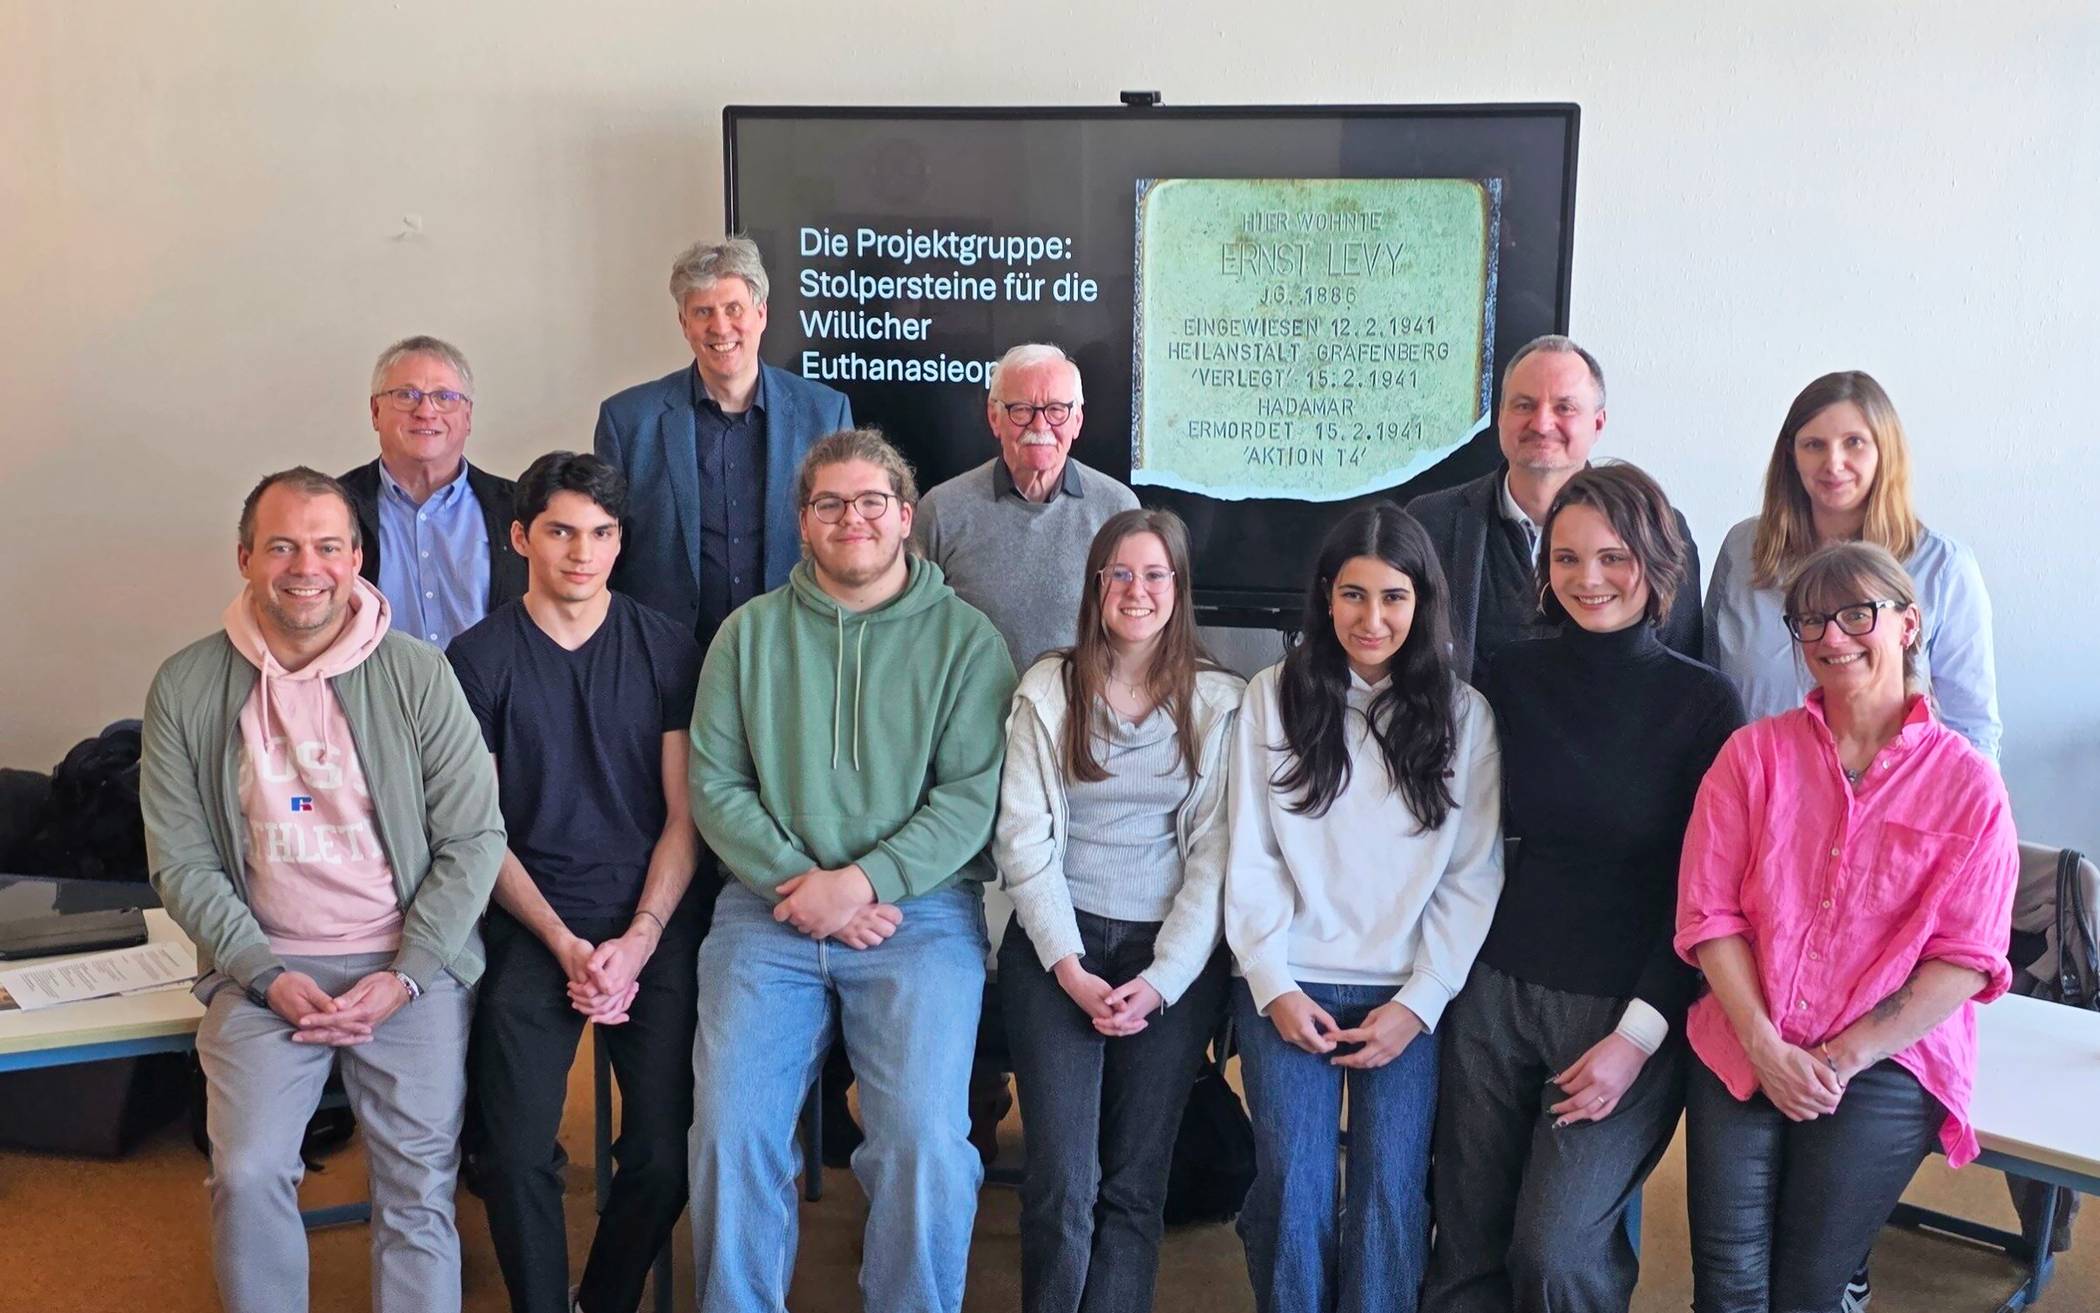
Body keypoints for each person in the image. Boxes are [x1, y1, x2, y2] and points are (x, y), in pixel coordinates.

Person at [139, 467, 504, 1313]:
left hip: (407, 964)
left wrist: (410, 970)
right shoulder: (187, 685)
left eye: (327, 546)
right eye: (282, 546)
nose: (306, 566)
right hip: (262, 968)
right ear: (244, 558)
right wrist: (263, 972)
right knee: (248, 1167)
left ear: (358, 558)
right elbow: (182, 860)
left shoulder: (418, 674)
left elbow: (475, 837)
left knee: (418, 1184)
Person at [685, 428, 1016, 1313]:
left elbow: (969, 797)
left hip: (919, 917)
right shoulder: (747, 636)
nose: (852, 518)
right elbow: (714, 785)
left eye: (872, 501)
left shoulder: (967, 643)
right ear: (803, 524)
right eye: (830, 503)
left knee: (925, 1143)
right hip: (767, 912)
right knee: (730, 1130)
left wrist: (861, 884)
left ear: (906, 517)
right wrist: (804, 883)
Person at [1422, 464, 1746, 1313]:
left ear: (1654, 560)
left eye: (1612, 556)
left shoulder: (1706, 704)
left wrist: (1637, 1037)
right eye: (1567, 558)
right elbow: (1467, 836)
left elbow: (1706, 899)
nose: (1589, 578)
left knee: (1555, 1253)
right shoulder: (1509, 677)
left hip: (1623, 1008)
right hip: (1494, 992)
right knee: (1465, 1243)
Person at [1675, 541, 2019, 1313]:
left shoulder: (1970, 786)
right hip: (1745, 1034)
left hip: (1884, 1060)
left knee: (1807, 1287)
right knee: (1726, 1286)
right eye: (1810, 621)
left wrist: (1835, 1057)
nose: (1832, 637)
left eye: (1856, 613)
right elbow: (1709, 915)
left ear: (1908, 623)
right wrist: (1766, 1044)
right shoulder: (1751, 756)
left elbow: (1966, 959)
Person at [1224, 503, 1505, 1313]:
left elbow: (1471, 875)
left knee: (1389, 1194)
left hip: (1406, 997)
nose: (1371, 618)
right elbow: (1249, 853)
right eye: (1353, 595)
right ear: (1325, 596)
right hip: (1289, 984)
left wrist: (1418, 1005)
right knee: (1295, 1184)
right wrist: (1272, 983)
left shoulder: (1465, 716)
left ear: (1422, 603)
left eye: (1393, 597)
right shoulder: (1271, 697)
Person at [445, 453, 703, 1313]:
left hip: (647, 927)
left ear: (620, 541)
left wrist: (636, 940)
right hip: (530, 924)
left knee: (668, 1153)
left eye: (600, 534)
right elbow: (479, 834)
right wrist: (564, 943)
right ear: (522, 537)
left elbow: (683, 817)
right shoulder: (477, 659)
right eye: (559, 531)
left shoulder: (666, 645)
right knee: (512, 1155)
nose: (581, 552)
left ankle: (606, 1297)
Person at [995, 508, 1244, 1313]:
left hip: (1168, 959)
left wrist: (1164, 978)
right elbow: (1023, 841)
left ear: (1179, 588)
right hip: (1057, 947)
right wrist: (1069, 967)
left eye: (1154, 575)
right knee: (1062, 1183)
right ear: (1096, 585)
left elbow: (1216, 857)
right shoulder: (1046, 688)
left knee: (1135, 1186)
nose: (1137, 591)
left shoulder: (1220, 702)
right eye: (1120, 574)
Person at [1705, 369, 1999, 759]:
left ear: (1885, 450)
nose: (1834, 463)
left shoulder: (1944, 568)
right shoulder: (1743, 549)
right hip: (1761, 800)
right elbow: (1708, 693)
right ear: (1790, 455)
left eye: (1854, 443)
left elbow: (1971, 731)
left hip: (1893, 806)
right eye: (1814, 445)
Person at [594, 235, 853, 651]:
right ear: (684, 323)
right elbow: (605, 546)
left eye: (733, 309)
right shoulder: (627, 421)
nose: (720, 327)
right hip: (665, 655)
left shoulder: (824, 413)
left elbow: (846, 536)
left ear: (761, 313)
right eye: (702, 312)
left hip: (794, 649)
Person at [1408, 334, 1702, 680]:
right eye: (1524, 405)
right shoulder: (1429, 523)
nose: (1542, 424)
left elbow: (1680, 672)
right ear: (1500, 417)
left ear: (1597, 424)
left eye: (1565, 407)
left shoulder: (1658, 527)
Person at [915, 342, 1140, 675]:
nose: (1039, 426)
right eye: (1021, 409)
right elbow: (916, 632)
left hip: (1081, 716)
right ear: (995, 418)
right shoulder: (941, 510)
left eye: (1056, 410)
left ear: (1077, 421)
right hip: (974, 718)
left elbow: (1136, 631)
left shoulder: (1118, 510)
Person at [340, 335, 526, 648]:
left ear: (467, 416)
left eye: (444, 396)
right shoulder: (334, 509)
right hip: (376, 694)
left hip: (491, 696)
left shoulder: (520, 508)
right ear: (375, 411)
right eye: (406, 395)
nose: (426, 411)